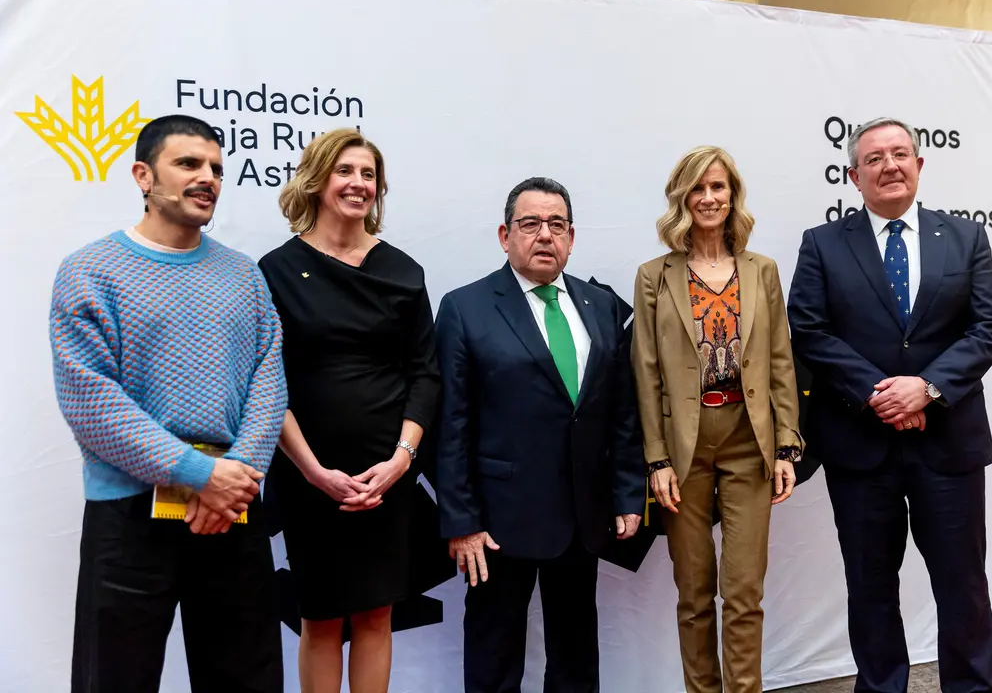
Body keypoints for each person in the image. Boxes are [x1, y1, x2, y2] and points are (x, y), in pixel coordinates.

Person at [50, 114, 288, 693]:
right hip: (130, 518)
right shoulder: (90, 270)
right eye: (188, 164)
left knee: (247, 679)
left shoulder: (243, 275)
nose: (207, 177)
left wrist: (234, 479)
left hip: (230, 509)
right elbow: (91, 401)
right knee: (115, 678)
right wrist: (199, 474)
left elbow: (269, 382)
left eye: (216, 168)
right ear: (143, 176)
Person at [787, 117, 992, 693]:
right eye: (875, 158)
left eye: (900, 154)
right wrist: (880, 391)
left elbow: (988, 328)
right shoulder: (822, 244)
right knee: (871, 586)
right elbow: (808, 330)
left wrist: (926, 387)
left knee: (963, 585)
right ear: (854, 175)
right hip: (862, 449)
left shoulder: (964, 238)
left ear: (919, 164)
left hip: (949, 445)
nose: (890, 165)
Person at [434, 176, 644, 693]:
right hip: (497, 521)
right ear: (505, 236)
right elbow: (451, 423)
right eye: (530, 224)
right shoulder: (466, 307)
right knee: (494, 652)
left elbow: (621, 413)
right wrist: (461, 520)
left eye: (557, 225)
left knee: (575, 653)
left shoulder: (602, 306)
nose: (544, 235)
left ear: (572, 237)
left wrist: (625, 494)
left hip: (583, 513)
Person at [258, 128, 440, 693]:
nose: (358, 183)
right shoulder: (277, 270)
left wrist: (401, 461)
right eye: (345, 171)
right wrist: (313, 472)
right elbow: (267, 384)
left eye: (368, 174)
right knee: (319, 618)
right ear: (317, 180)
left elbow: (425, 374)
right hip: (308, 476)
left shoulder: (403, 271)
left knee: (377, 615)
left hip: (387, 477)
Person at [631, 146, 802, 693]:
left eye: (719, 187)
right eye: (697, 189)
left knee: (745, 589)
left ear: (734, 196)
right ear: (682, 198)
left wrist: (786, 446)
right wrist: (656, 459)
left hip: (748, 441)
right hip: (684, 447)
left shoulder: (762, 271)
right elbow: (647, 374)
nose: (709, 198)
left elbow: (781, 361)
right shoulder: (654, 275)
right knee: (694, 591)